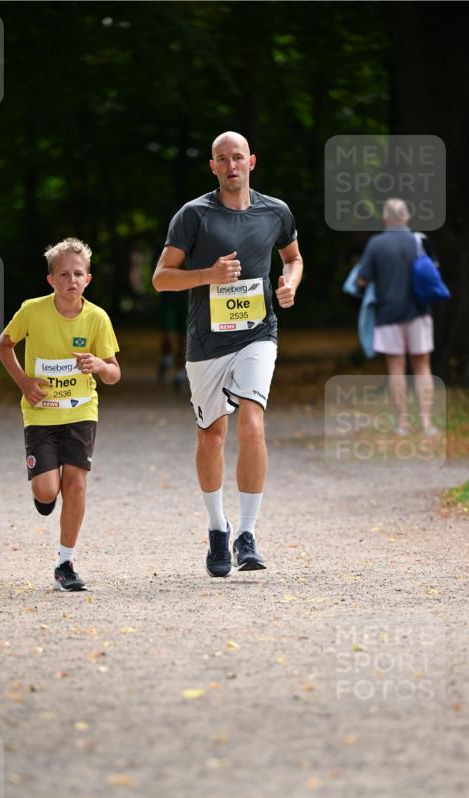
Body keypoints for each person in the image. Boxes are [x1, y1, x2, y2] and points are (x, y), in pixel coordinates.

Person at [153, 131, 303, 577]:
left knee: (253, 421)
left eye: (239, 157)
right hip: (206, 343)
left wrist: (290, 283)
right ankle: (218, 528)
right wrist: (209, 275)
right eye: (223, 159)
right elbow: (161, 278)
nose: (232, 165)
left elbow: (293, 258)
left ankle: (247, 534)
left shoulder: (275, 211)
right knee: (212, 435)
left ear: (252, 161)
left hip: (258, 334)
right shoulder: (193, 215)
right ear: (213, 167)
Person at [0, 236, 121, 592]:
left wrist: (99, 364)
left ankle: (65, 562)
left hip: (82, 411)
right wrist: (23, 382)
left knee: (76, 483)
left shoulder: (97, 318)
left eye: (78, 274)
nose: (71, 281)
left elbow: (114, 374)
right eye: (63, 274)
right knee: (49, 491)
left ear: (88, 279)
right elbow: (3, 344)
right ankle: (43, 496)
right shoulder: (32, 311)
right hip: (41, 414)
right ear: (51, 280)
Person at [356, 198, 438, 436]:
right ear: (407, 216)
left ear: (385, 218)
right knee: (422, 367)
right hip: (419, 312)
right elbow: (433, 273)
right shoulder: (420, 240)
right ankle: (426, 423)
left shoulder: (376, 244)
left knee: (396, 369)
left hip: (387, 314)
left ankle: (402, 424)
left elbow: (362, 280)